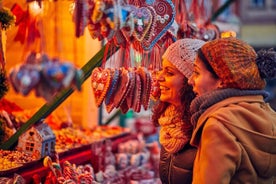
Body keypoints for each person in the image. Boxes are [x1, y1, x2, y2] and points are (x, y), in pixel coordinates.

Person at [188, 37, 276, 183]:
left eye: (196, 73)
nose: (190, 80)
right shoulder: (270, 115)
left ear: (222, 80)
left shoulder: (218, 125)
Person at [151, 38, 205, 184]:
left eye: (169, 73)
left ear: (191, 81)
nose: (159, 78)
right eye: (162, 70)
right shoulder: (169, 124)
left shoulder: (205, 128)